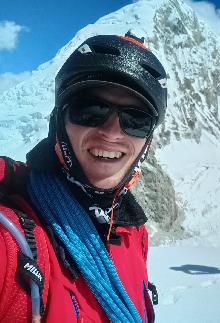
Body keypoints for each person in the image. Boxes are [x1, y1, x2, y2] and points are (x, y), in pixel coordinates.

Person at [0, 32, 167, 322]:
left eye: (136, 119)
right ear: (58, 121)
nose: (112, 133)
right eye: (91, 109)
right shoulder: (16, 239)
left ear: (147, 141)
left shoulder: (133, 232)